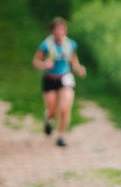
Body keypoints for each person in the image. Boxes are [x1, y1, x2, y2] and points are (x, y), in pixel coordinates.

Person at [32, 17, 86, 147]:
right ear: (52, 31)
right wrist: (45, 64)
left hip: (65, 79)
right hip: (50, 80)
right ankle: (48, 120)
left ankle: (61, 136)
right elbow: (36, 62)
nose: (59, 32)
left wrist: (78, 69)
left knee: (64, 109)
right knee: (52, 111)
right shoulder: (46, 45)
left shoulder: (70, 44)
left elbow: (74, 61)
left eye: (62, 29)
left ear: (65, 31)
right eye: (57, 29)